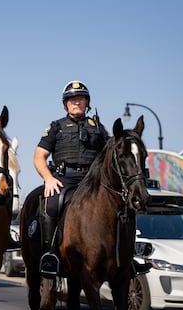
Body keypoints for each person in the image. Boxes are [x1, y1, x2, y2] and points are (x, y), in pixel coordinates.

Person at [33, 80, 153, 279]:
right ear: (66, 103)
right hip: (65, 179)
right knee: (52, 205)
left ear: (87, 102)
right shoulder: (56, 127)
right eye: (72, 99)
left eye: (80, 99)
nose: (76, 102)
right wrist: (48, 179)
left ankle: (127, 257)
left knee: (124, 206)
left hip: (92, 179)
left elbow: (113, 153)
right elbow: (39, 156)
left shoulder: (98, 127)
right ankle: (50, 255)